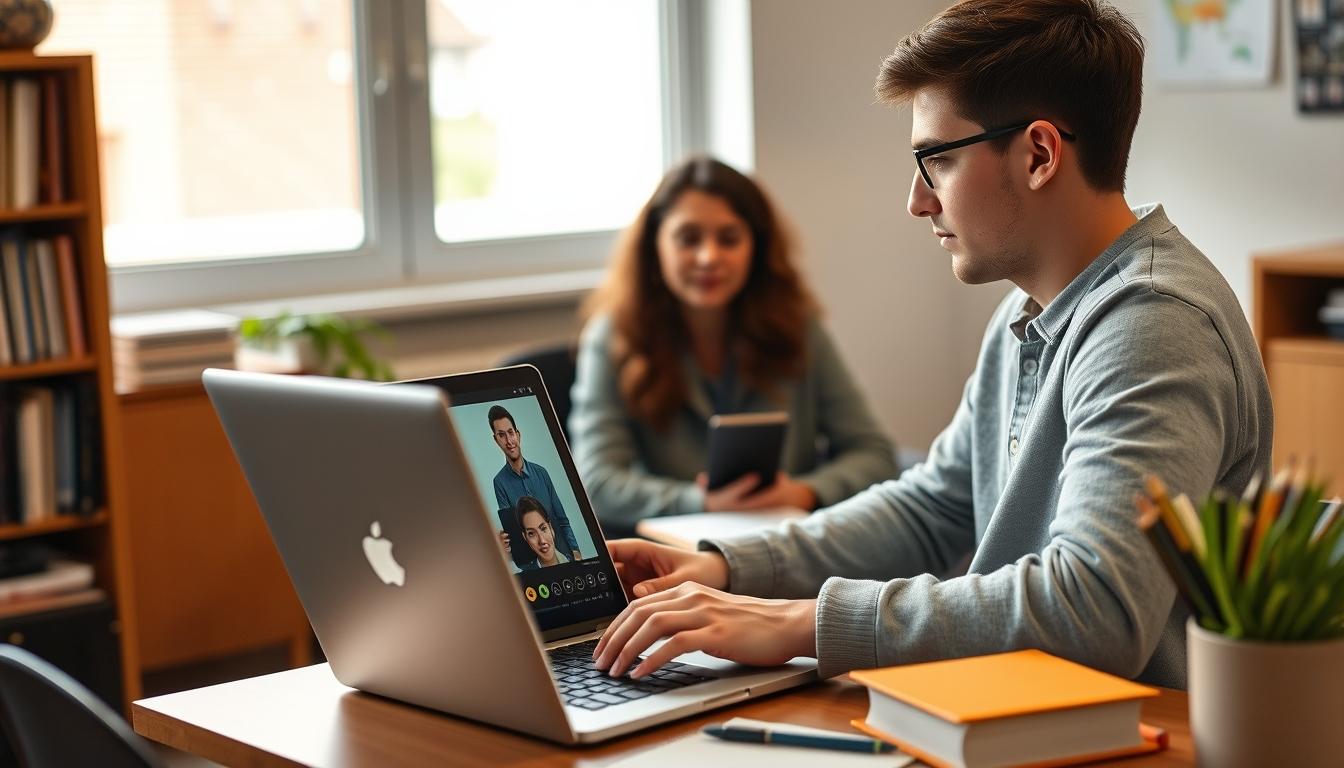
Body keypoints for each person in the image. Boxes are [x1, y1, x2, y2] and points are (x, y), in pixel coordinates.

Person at [588, 0, 1272, 690]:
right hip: (1019, 715)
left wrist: (800, 622)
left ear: (1039, 154)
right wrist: (729, 568)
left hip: (1131, 737)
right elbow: (936, 507)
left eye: (936, 160)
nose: (917, 200)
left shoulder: (1153, 322)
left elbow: (1094, 607)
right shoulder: (1031, 312)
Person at [569, 156, 899, 537]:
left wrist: (804, 492)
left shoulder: (798, 328)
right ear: (655, 246)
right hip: (672, 557)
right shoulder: (614, 334)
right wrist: (700, 502)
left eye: (729, 239)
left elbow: (874, 454)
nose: (709, 257)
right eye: (688, 238)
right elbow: (597, 482)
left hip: (786, 547)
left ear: (755, 248)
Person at [490, 405, 581, 561]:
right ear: (496, 440)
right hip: (535, 564)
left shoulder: (541, 473)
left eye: (511, 433)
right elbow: (515, 533)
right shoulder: (500, 483)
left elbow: (562, 519)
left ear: (518, 435)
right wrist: (505, 546)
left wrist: (575, 551)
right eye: (501, 435)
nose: (509, 441)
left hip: (564, 556)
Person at [497, 496, 570, 570]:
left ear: (550, 527)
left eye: (543, 528)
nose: (542, 541)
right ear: (525, 537)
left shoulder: (573, 561)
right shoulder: (526, 575)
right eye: (531, 533)